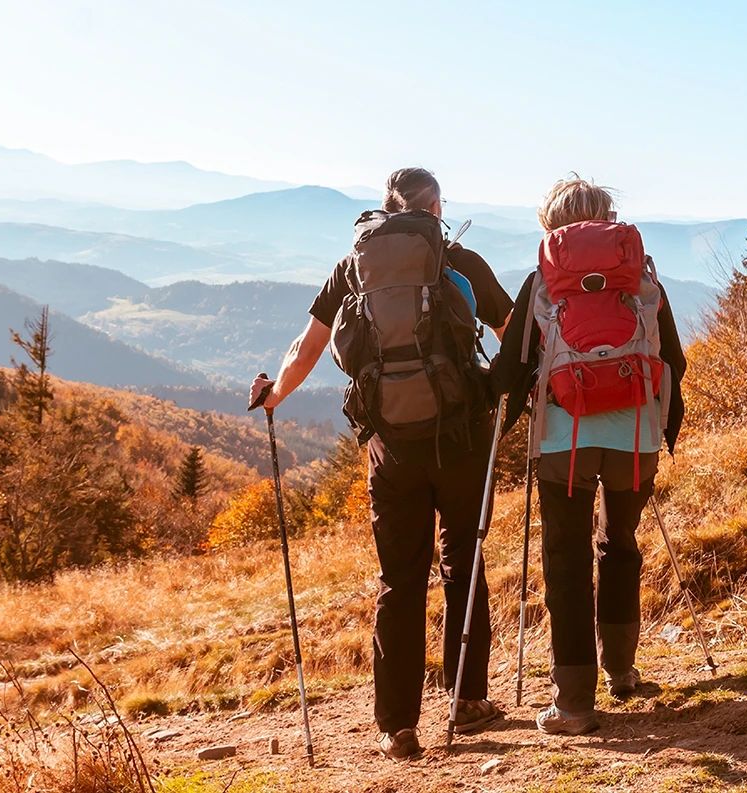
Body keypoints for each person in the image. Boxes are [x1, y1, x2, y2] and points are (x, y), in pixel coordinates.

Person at [252, 168, 514, 760]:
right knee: (464, 565)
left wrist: (274, 397)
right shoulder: (459, 260)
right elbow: (511, 331)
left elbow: (309, 347)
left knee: (399, 580)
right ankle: (468, 701)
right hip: (462, 440)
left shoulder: (354, 268)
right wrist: (503, 389)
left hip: (390, 448)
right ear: (436, 209)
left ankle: (397, 724)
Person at [491, 176, 686, 735]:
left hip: (563, 441)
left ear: (552, 227)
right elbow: (674, 358)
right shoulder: (642, 279)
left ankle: (575, 701)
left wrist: (503, 408)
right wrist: (662, 424)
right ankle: (622, 671)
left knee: (567, 561)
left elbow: (510, 371)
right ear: (609, 219)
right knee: (620, 545)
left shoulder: (542, 283)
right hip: (635, 437)